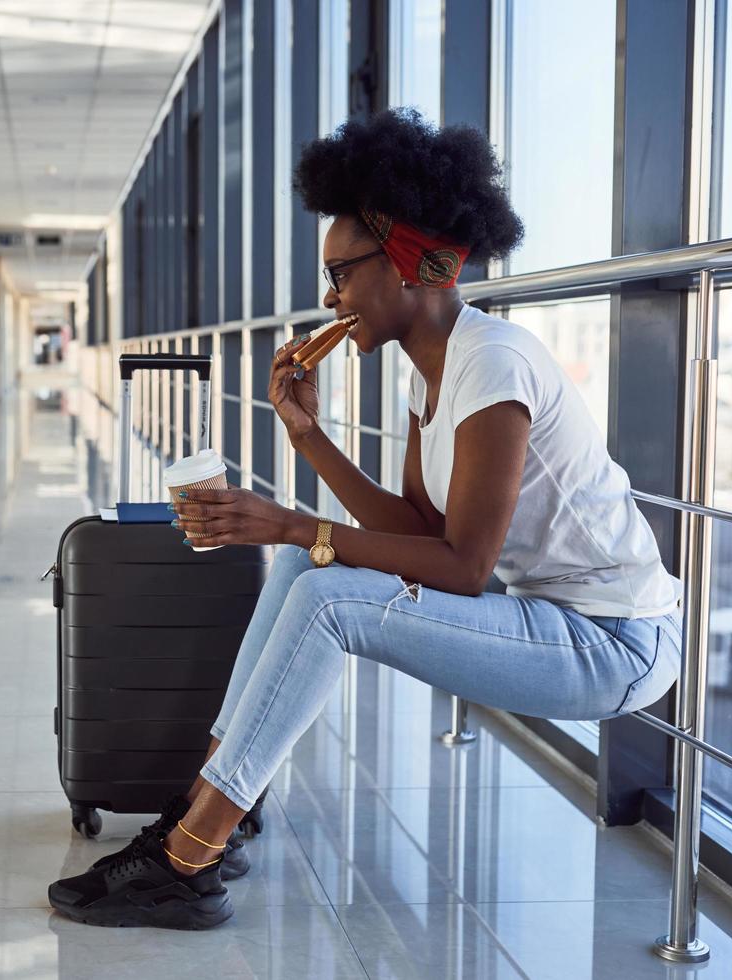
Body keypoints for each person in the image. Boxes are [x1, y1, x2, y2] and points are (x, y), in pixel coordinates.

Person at [47, 108, 682, 930]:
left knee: (326, 595)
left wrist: (286, 521)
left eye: (342, 272)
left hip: (612, 643)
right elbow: (419, 531)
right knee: (304, 569)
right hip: (547, 617)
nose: (330, 295)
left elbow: (461, 567)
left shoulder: (493, 365)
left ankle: (186, 862)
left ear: (413, 264)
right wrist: (307, 439)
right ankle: (209, 804)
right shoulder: (432, 375)